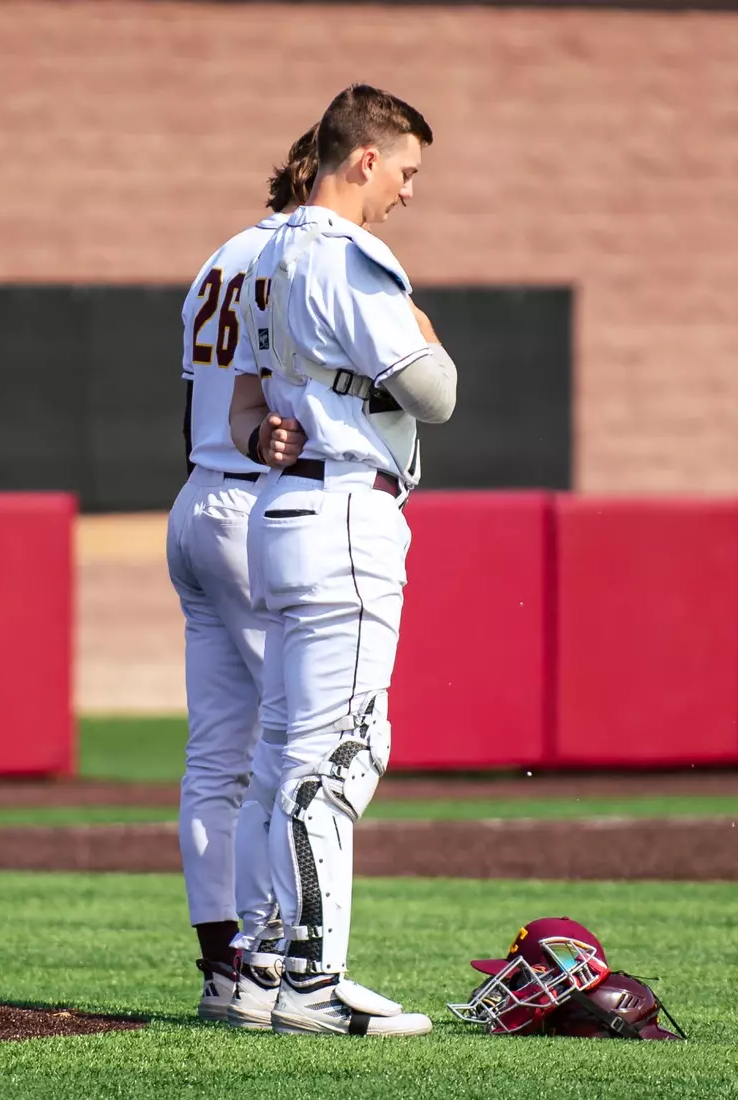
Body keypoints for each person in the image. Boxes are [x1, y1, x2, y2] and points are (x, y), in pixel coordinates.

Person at [230, 84, 457, 1038]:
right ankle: (313, 983)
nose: (408, 190)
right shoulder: (350, 254)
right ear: (366, 158)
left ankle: (258, 968)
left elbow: (246, 399)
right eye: (406, 169)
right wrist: (426, 328)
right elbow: (437, 393)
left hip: (282, 510)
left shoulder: (266, 250)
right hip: (347, 516)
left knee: (280, 752)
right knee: (339, 756)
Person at [167, 125, 318, 1029]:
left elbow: (191, 398)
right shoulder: (301, 258)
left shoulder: (217, 258)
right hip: (250, 502)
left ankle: (223, 965)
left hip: (196, 497)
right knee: (294, 741)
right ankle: (272, 960)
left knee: (213, 759)